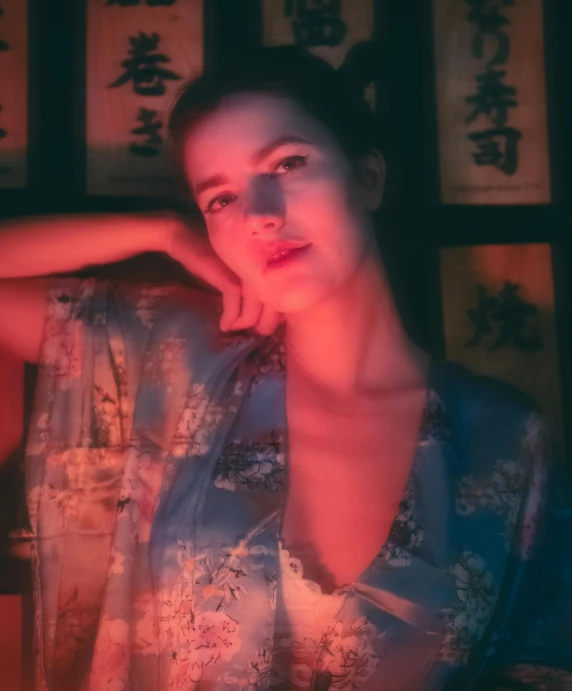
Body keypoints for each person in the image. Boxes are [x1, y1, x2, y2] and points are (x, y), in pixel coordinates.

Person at [0, 46, 570, 691]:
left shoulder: (503, 436)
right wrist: (160, 231)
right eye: (219, 199)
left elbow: (543, 661)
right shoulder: (177, 356)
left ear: (368, 178)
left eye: (288, 163)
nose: (259, 214)